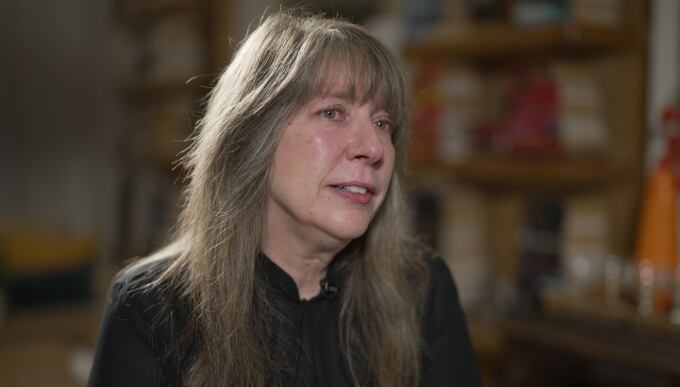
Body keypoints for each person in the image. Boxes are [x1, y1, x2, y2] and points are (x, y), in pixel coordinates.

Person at [88, 11, 481, 387]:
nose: (373, 147)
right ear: (253, 136)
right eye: (332, 113)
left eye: (383, 123)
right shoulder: (150, 307)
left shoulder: (422, 291)